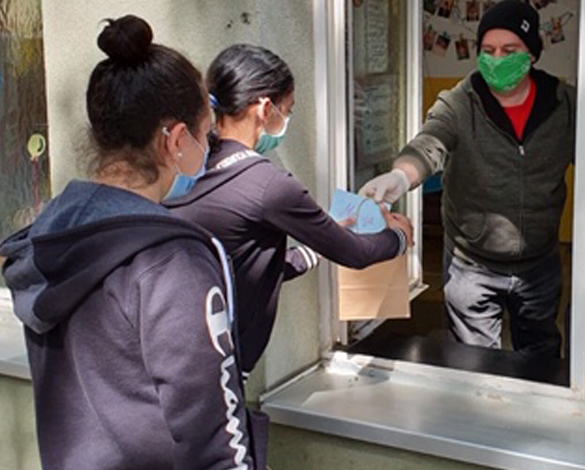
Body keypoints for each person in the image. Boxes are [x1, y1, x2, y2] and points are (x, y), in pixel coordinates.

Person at [0, 16, 278, 470]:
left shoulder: (57, 237)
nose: (209, 148)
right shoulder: (171, 260)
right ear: (173, 139)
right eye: (206, 134)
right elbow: (212, 424)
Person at [164, 44, 414, 375]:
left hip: (178, 348)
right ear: (265, 108)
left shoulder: (193, 164)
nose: (287, 120)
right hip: (219, 368)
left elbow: (250, 265)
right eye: (289, 110)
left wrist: (319, 242)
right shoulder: (268, 184)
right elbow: (355, 253)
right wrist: (398, 236)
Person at [360, 0, 575, 359]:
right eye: (488, 50)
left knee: (541, 359)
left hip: (539, 262)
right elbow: (429, 144)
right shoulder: (460, 103)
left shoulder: (565, 105)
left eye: (510, 50)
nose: (497, 59)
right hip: (472, 263)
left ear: (533, 54)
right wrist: (399, 176)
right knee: (473, 365)